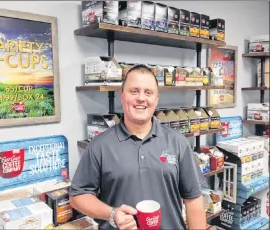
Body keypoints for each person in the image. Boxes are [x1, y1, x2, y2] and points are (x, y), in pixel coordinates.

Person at [69, 64, 207, 229]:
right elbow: (78, 196)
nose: (141, 98)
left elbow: (194, 200)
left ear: (156, 99)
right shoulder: (99, 145)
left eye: (148, 92)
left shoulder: (178, 142)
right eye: (134, 91)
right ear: (122, 97)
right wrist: (112, 213)